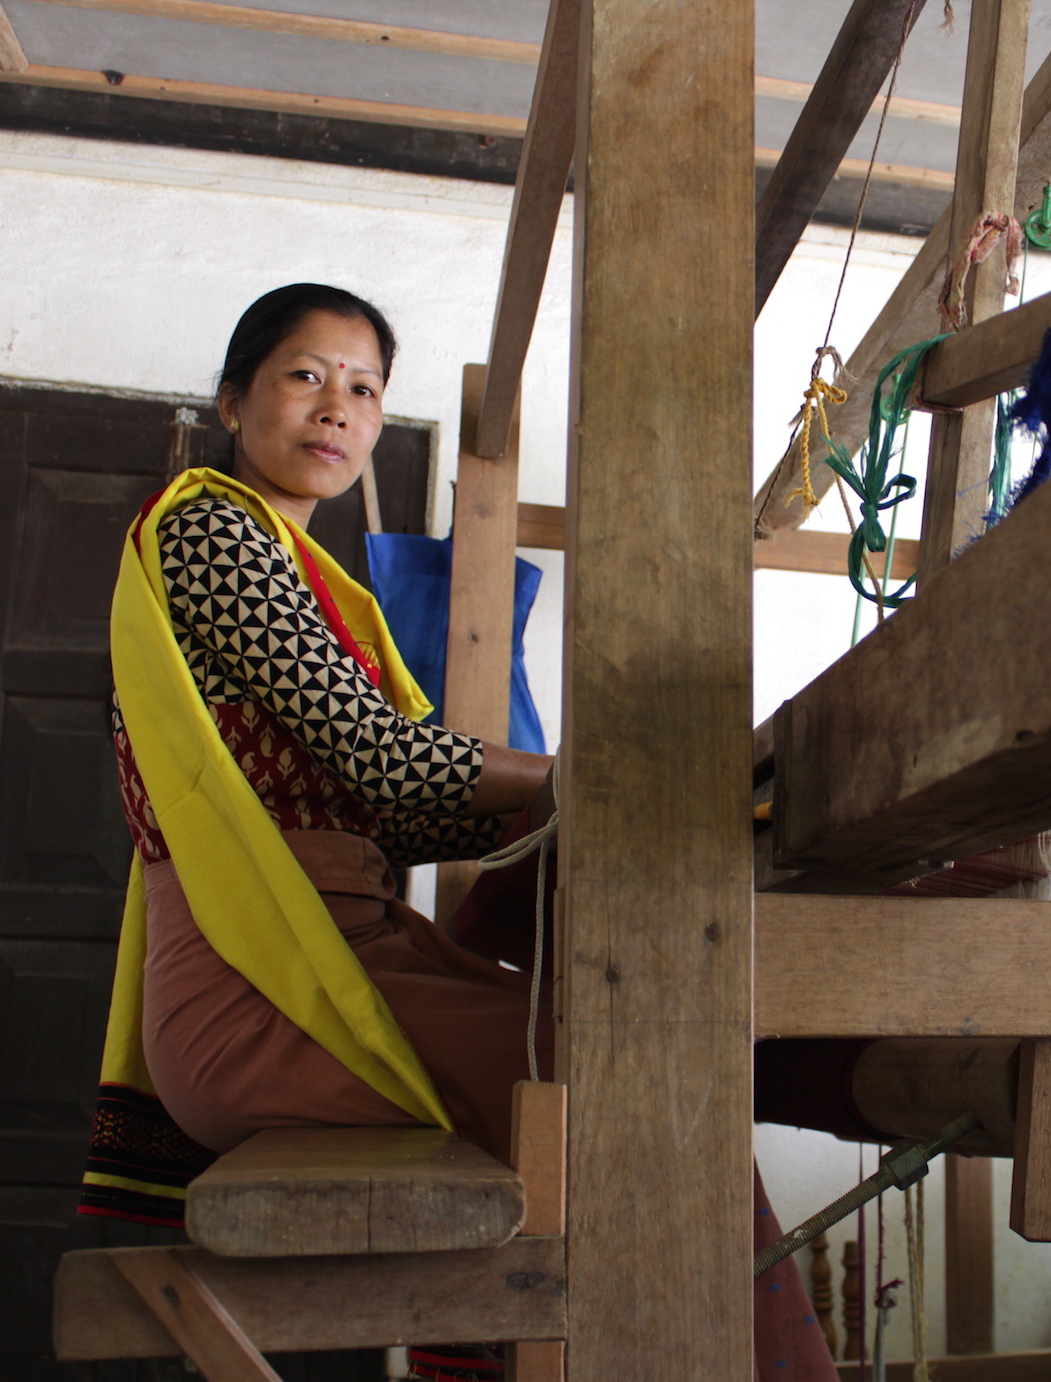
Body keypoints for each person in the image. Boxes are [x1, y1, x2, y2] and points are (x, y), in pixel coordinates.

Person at [83, 284, 837, 1382]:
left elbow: (404, 808)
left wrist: (598, 788)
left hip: (340, 955)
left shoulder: (322, 585)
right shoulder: (208, 530)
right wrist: (610, 775)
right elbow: (386, 760)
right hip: (265, 986)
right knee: (628, 1076)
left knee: (632, 1055)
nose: (336, 406)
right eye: (306, 375)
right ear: (233, 398)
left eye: (364, 388)